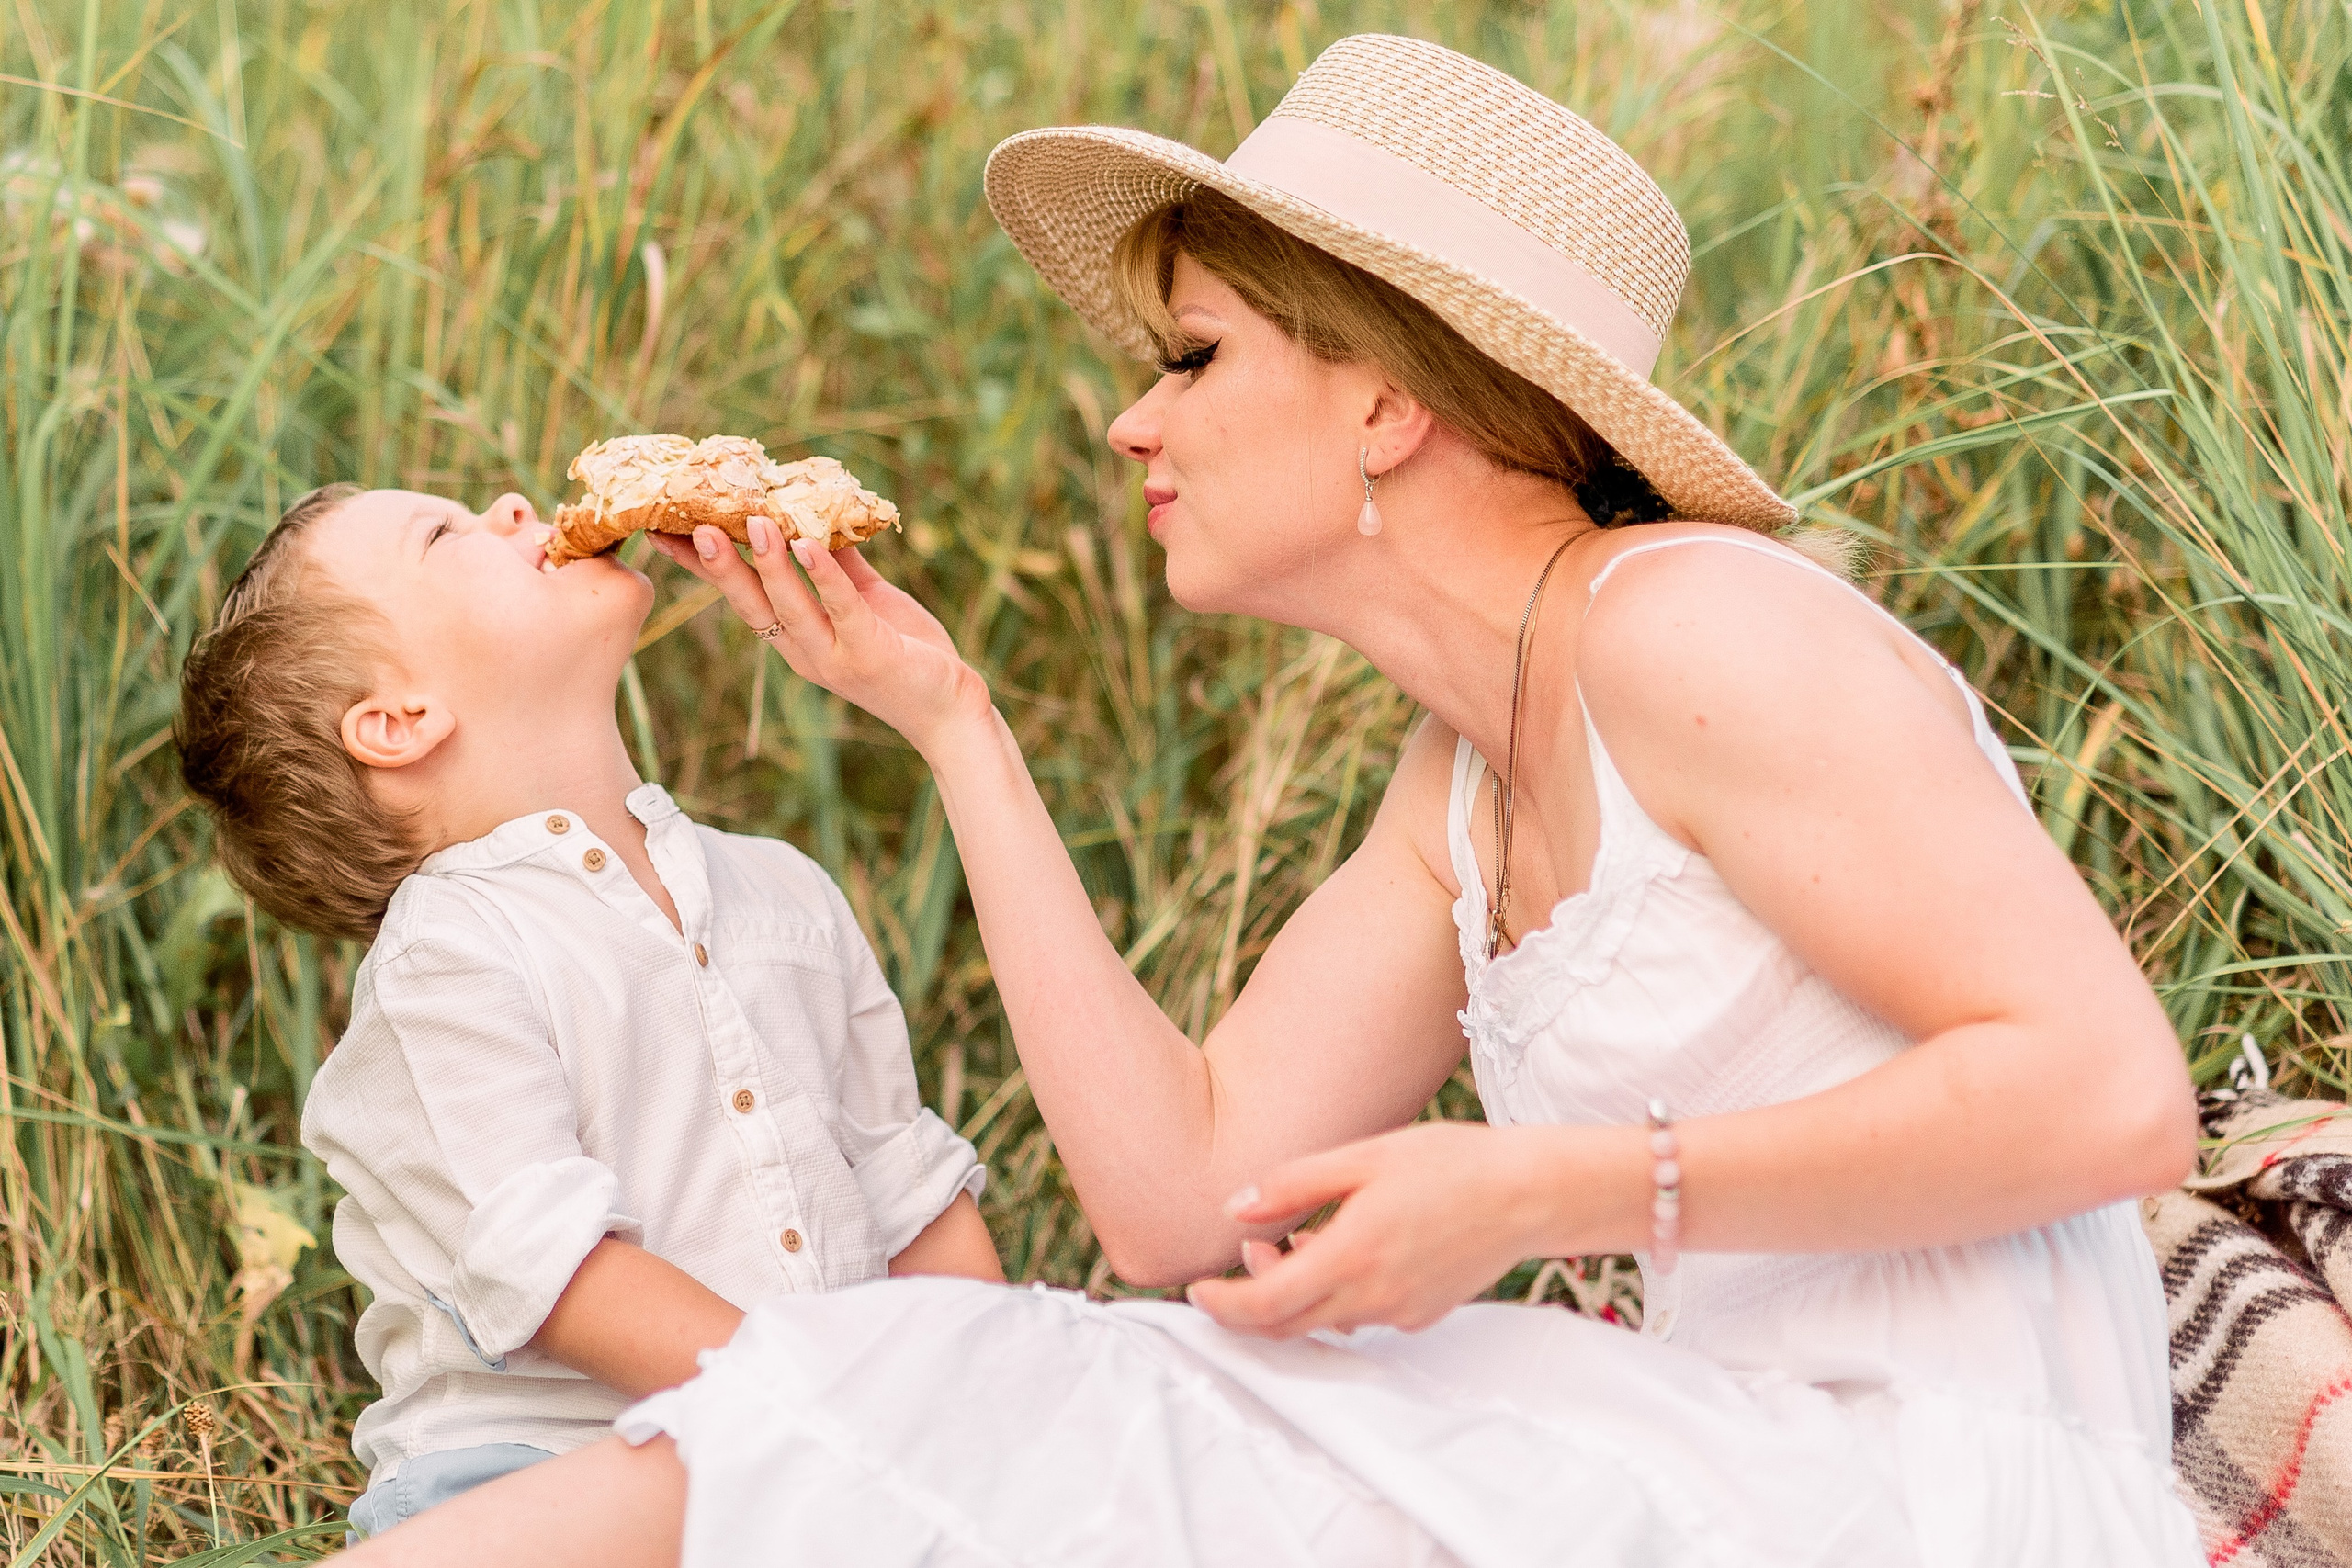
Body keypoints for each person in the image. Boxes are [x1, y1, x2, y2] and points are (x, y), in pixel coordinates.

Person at [338, 32, 2205, 1567]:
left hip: (1921, 1488)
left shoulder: (1696, 632)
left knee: (1055, 1406)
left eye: (1193, 355)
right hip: (1724, 1451)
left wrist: (1541, 1184)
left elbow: (2107, 1093)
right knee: (1050, 1378)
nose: (1131, 423)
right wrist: (951, 721)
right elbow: (1179, 1199)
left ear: (1386, 395)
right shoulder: (1464, 773)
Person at [174, 481, 1001, 1537]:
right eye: (447, 533)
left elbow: (904, 1191)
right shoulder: (449, 953)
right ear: (397, 721)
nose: (515, 506)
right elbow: (557, 1269)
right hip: (532, 1475)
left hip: (811, 1471)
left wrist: (996, 1392)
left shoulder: (785, 893)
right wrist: (823, 1408)